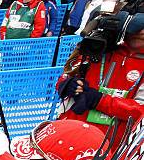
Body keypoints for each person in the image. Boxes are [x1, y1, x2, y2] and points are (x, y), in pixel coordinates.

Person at [57, 18, 143, 149]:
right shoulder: (98, 47)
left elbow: (140, 112)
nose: (140, 32)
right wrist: (68, 85)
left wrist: (100, 100)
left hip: (110, 147)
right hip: (71, 134)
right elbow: (65, 76)